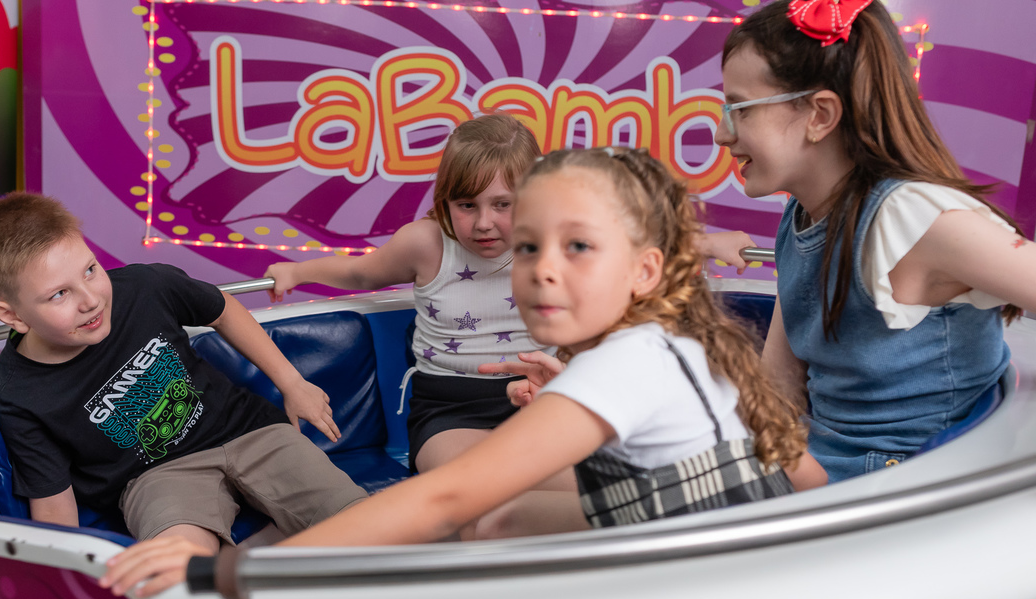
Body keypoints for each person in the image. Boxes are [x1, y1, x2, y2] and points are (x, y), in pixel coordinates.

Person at [270, 146, 813, 548]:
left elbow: (445, 497)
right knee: (501, 521)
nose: (544, 270)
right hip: (704, 543)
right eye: (528, 247)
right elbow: (803, 473)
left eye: (578, 246)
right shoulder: (669, 346)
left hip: (720, 578)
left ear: (645, 270)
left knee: (483, 518)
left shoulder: (625, 364)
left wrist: (246, 572)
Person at [264, 112, 756, 480]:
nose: (483, 223)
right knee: (475, 487)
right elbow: (359, 273)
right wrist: (296, 270)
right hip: (450, 410)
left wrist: (711, 243)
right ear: (445, 202)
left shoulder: (552, 239)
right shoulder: (427, 243)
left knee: (580, 483)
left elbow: (634, 248)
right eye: (466, 205)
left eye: (503, 205)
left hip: (546, 396)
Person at [0, 193, 368, 594]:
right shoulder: (21, 394)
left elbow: (221, 308)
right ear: (11, 315)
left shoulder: (144, 286)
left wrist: (292, 383)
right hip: (156, 476)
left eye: (90, 270)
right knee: (173, 577)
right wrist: (63, 585)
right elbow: (55, 506)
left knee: (363, 523)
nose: (90, 300)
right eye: (59, 294)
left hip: (248, 431)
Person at [716, 0, 1036, 482]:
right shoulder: (803, 214)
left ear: (819, 115)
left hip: (885, 489)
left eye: (738, 109)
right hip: (816, 457)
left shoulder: (912, 218)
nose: (722, 133)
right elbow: (778, 386)